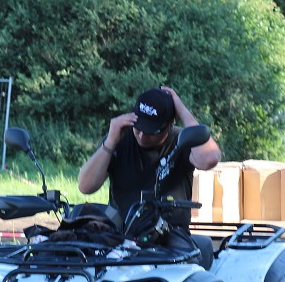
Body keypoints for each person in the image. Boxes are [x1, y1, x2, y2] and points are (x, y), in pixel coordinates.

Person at [77, 86, 221, 241]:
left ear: (169, 124)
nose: (142, 136)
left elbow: (210, 159)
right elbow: (86, 186)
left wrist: (182, 111)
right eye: (138, 128)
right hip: (123, 234)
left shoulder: (181, 140)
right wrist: (110, 142)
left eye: (152, 132)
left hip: (171, 236)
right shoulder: (118, 138)